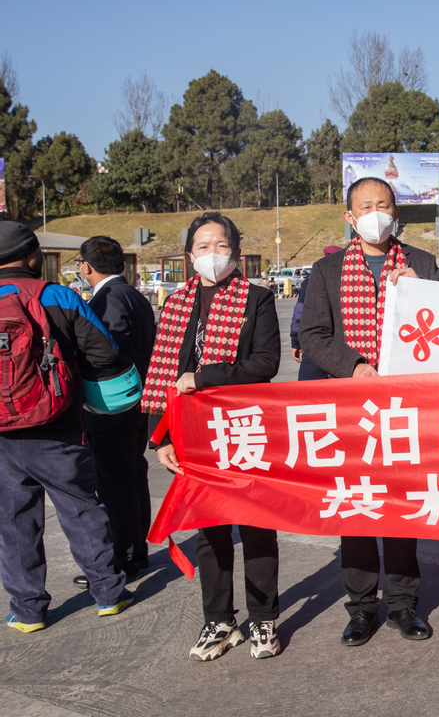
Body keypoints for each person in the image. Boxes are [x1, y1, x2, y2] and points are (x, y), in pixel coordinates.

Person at [300, 176, 439, 647]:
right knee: (359, 507)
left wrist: (424, 291)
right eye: (366, 206)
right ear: (350, 217)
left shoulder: (421, 262)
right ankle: (361, 607)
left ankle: (404, 604)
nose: (376, 213)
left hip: (405, 405)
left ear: (396, 212)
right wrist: (356, 366)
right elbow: (313, 335)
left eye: (384, 205)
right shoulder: (327, 271)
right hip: (351, 404)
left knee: (401, 508)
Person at [147, 213, 282, 661]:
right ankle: (219, 621)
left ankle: (263, 619)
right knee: (210, 530)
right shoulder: (175, 304)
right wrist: (158, 438)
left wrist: (204, 378)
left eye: (221, 246)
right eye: (202, 246)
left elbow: (264, 363)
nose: (212, 254)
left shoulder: (256, 300)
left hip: (245, 426)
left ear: (236, 253)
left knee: (257, 525)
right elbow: (162, 373)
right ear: (189, 255)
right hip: (193, 433)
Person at [0, 222, 136, 633]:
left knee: (14, 521)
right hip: (57, 425)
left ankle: (28, 611)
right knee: (80, 507)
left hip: (3, 433)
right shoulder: (56, 295)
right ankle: (108, 594)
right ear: (32, 257)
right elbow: (104, 351)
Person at [73, 236, 157, 590]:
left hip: (114, 405)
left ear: (86, 266)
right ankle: (136, 550)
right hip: (137, 400)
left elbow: (108, 351)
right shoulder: (133, 294)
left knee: (115, 482)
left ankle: (122, 557)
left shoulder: (108, 299)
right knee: (132, 475)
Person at [289, 246, 341, 381]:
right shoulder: (353, 279)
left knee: (310, 396)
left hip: (316, 346)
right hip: (345, 349)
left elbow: (299, 312)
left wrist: (296, 341)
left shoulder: (312, 279)